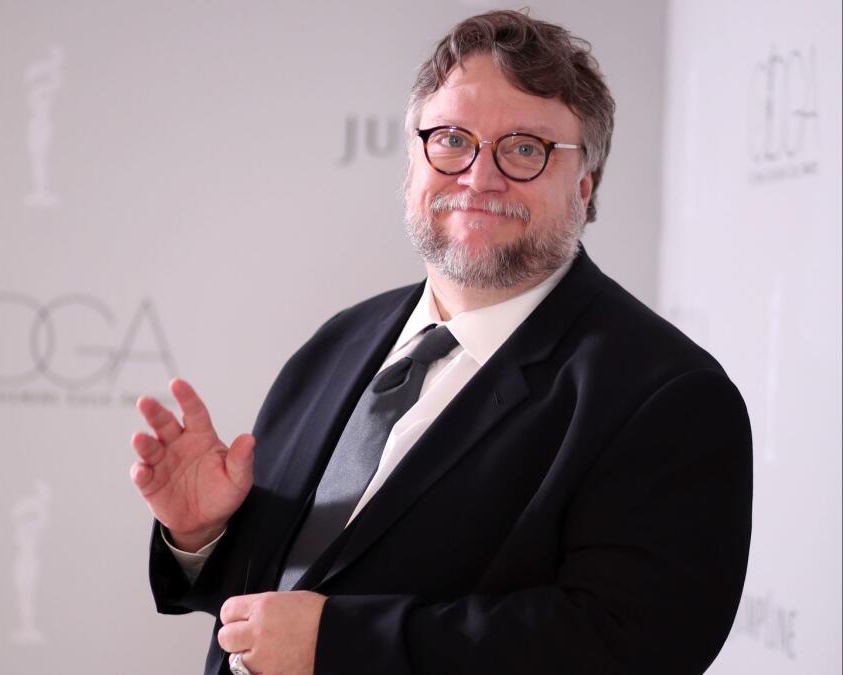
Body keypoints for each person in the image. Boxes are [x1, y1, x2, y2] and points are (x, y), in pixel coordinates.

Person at [129, 10, 752, 675]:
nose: (480, 178)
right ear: (412, 163)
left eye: (524, 148)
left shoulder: (669, 397)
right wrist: (203, 536)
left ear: (584, 185)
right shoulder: (339, 343)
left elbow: (629, 643)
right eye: (452, 139)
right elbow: (278, 595)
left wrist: (341, 643)